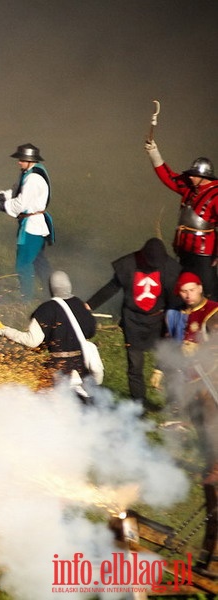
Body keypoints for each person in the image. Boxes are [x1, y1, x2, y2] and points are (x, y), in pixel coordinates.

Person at [86, 238, 182, 410]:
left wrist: (173, 326)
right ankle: (139, 403)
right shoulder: (129, 264)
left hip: (159, 321)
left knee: (168, 360)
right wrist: (90, 304)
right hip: (133, 321)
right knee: (135, 365)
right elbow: (112, 287)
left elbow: (174, 303)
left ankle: (173, 402)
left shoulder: (170, 269)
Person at [0, 271, 98, 398]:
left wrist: (4, 330)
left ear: (51, 289)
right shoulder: (80, 305)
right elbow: (91, 331)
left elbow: (32, 341)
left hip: (58, 368)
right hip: (82, 366)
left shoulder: (46, 309)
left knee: (44, 403)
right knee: (89, 407)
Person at [144, 139, 218, 299]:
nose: (190, 178)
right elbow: (168, 177)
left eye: (194, 175)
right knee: (182, 288)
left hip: (204, 253)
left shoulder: (216, 194)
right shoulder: (190, 188)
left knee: (208, 290)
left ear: (203, 176)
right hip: (184, 249)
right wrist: (154, 153)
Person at [164, 272, 218, 484]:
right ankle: (208, 464)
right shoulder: (177, 313)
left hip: (211, 377)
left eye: (191, 290)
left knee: (213, 424)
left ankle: (216, 468)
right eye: (184, 291)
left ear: (200, 287)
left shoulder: (213, 312)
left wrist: (199, 349)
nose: (188, 295)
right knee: (199, 425)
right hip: (189, 379)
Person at [0, 143, 53, 299]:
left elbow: (22, 203)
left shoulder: (33, 178)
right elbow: (17, 190)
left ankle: (25, 298)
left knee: (23, 263)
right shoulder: (28, 172)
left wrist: (2, 206)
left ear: (29, 160)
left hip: (32, 226)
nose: (19, 162)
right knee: (39, 262)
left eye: (21, 159)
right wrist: (2, 196)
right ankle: (52, 293)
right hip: (33, 223)